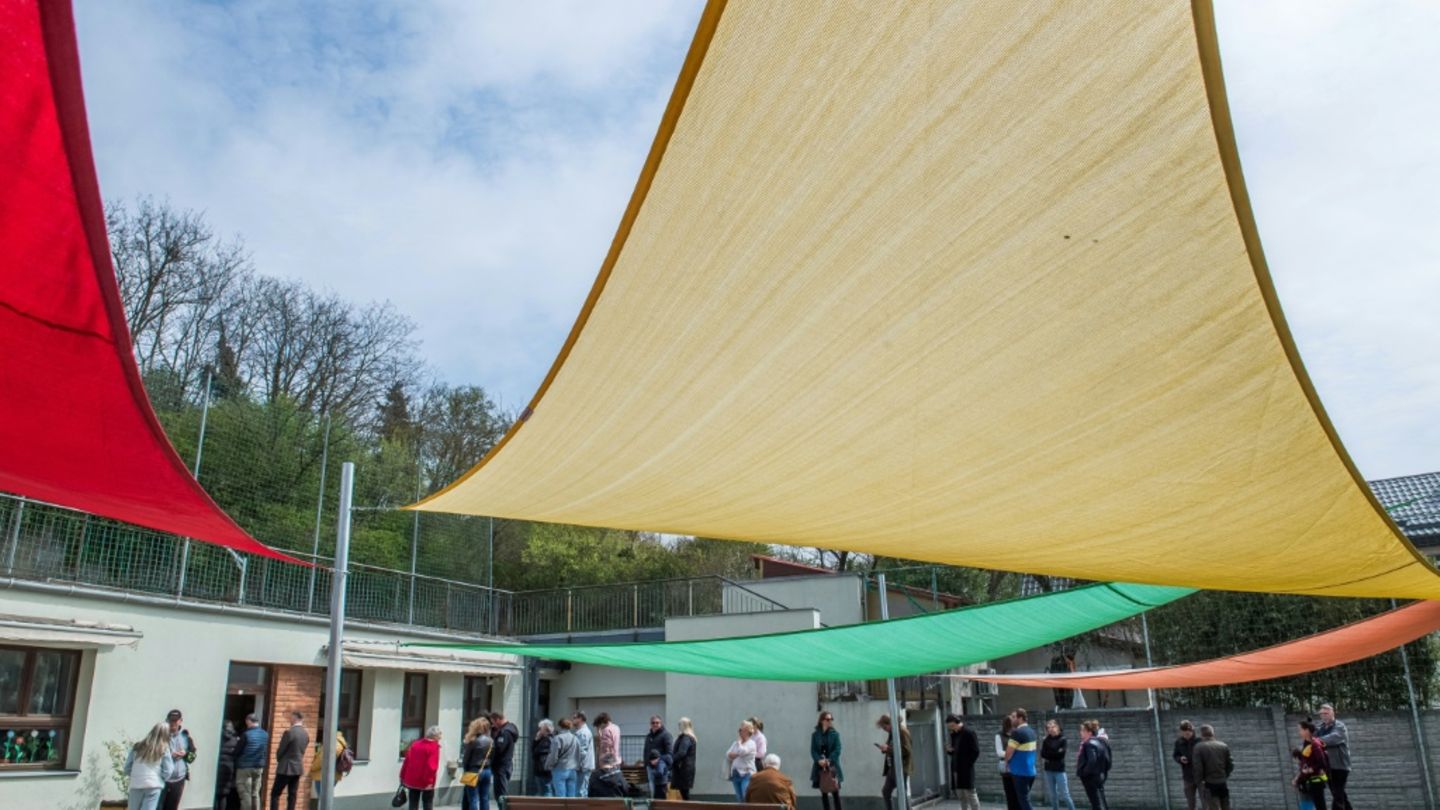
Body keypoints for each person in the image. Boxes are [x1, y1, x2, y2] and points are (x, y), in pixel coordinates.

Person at [127, 723, 177, 810]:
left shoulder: (137, 747)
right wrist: (160, 778)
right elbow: (168, 771)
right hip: (153, 785)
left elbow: (127, 768)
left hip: (136, 784)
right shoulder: (164, 749)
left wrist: (136, 776)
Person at [1317, 704, 1352, 810]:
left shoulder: (1340, 726)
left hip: (1340, 766)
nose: (1324, 715)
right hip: (1328, 766)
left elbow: (1335, 738)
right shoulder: (1319, 728)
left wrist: (1317, 741)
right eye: (1322, 714)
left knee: (1337, 794)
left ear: (1333, 713)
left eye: (1326, 713)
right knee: (1339, 794)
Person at [270, 711, 308, 810]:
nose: (290, 720)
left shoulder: (289, 732)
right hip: (298, 768)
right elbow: (303, 750)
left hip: (286, 767)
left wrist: (279, 759)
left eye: (291, 718)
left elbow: (281, 750)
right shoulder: (305, 734)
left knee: (275, 793)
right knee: (292, 794)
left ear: (296, 718)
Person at [400, 726, 443, 810]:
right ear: (435, 736)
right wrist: (429, 781)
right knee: (427, 803)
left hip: (412, 779)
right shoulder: (433, 747)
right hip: (425, 781)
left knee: (413, 803)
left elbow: (407, 761)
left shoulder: (415, 744)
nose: (440, 738)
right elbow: (431, 766)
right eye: (439, 735)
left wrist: (402, 776)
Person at [1191, 724, 1233, 810]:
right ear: (1213, 733)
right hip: (1222, 781)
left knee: (1213, 807)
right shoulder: (1223, 745)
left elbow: (1198, 767)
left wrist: (1199, 781)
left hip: (1209, 783)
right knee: (1226, 806)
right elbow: (1230, 764)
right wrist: (1225, 775)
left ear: (1201, 735)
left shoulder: (1198, 747)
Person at [162, 709, 197, 810]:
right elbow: (154, 755)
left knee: (172, 807)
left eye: (175, 721)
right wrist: (168, 756)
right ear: (167, 721)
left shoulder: (185, 737)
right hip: (162, 778)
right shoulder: (161, 736)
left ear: (180, 721)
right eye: (170, 720)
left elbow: (192, 758)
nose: (173, 723)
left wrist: (185, 754)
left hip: (179, 779)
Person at [1003, 709, 1038, 810]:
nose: (1011, 719)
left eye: (1014, 717)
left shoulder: (1017, 732)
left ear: (1020, 718)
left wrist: (1006, 762)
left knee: (1023, 800)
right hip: (1030, 771)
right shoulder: (1031, 731)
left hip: (1020, 772)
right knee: (1023, 799)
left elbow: (1009, 752)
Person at [876, 714, 912, 810]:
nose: (884, 729)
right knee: (886, 792)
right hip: (892, 768)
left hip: (901, 767)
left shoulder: (902, 732)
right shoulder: (893, 732)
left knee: (902, 794)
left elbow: (906, 750)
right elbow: (891, 746)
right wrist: (885, 748)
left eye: (884, 727)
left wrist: (888, 749)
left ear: (890, 723)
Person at [1292, 719, 1329, 810]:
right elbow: (1306, 763)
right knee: (1309, 806)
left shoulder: (1315, 744)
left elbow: (1322, 762)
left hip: (1316, 780)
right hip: (1309, 781)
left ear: (1307, 730)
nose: (1299, 732)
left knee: (1320, 806)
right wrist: (1299, 777)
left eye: (1300, 730)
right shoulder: (1306, 744)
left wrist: (1309, 770)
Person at [945, 714, 980, 810]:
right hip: (956, 768)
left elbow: (976, 751)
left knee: (970, 793)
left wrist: (967, 764)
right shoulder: (954, 735)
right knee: (960, 795)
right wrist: (950, 751)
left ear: (958, 723)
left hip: (966, 769)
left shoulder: (969, 733)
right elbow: (955, 752)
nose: (951, 729)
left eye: (952, 726)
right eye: (949, 727)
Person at [1040, 719, 1076, 810]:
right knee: (1052, 795)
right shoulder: (1046, 740)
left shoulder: (1063, 739)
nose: (1051, 729)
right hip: (1048, 770)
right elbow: (1042, 754)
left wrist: (1050, 754)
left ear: (1058, 727)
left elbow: (1061, 755)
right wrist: (1055, 752)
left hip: (1059, 770)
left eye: (1053, 727)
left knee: (1065, 794)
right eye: (1049, 728)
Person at [234, 713, 268, 810]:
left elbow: (237, 751)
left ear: (249, 721)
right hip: (259, 767)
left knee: (245, 792)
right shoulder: (265, 734)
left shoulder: (246, 734)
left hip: (245, 767)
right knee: (255, 793)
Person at [811, 711, 843, 810]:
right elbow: (813, 750)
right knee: (824, 792)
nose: (830, 721)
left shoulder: (835, 734)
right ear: (822, 721)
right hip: (820, 767)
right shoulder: (815, 735)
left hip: (833, 766)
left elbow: (838, 749)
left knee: (835, 792)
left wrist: (829, 760)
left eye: (831, 719)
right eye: (828, 719)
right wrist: (818, 760)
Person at [1076, 720, 1111, 810]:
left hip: (1090, 777)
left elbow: (1092, 760)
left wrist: (1084, 772)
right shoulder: (1099, 742)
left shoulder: (1088, 744)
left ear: (1089, 732)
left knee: (1095, 802)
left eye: (1083, 730)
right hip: (1098, 775)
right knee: (1100, 800)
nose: (1081, 732)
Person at [461, 717, 494, 810]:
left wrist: (465, 769)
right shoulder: (491, 741)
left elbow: (466, 758)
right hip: (487, 770)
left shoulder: (473, 741)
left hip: (473, 770)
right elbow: (492, 757)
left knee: (473, 799)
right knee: (485, 797)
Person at [547, 717, 582, 797]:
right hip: (573, 770)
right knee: (571, 796)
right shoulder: (575, 738)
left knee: (560, 796)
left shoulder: (558, 738)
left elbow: (553, 755)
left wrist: (549, 765)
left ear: (560, 726)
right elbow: (579, 754)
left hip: (560, 769)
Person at [489, 712, 519, 804]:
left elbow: (499, 748)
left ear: (498, 719)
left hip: (501, 765)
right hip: (506, 764)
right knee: (501, 791)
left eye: (493, 722)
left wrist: (492, 742)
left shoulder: (504, 732)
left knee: (501, 793)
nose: (492, 724)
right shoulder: (510, 729)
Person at [307, 730, 350, 797]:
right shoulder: (337, 741)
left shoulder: (334, 742)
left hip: (324, 775)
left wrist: (312, 767)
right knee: (325, 797)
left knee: (323, 799)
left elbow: (322, 759)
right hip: (328, 774)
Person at [726, 720, 759, 802]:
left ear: (748, 731)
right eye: (739, 730)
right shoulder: (735, 743)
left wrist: (739, 745)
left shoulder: (751, 743)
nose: (739, 732)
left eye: (741, 730)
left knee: (745, 796)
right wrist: (736, 754)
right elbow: (728, 754)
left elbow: (742, 752)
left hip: (747, 773)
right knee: (739, 797)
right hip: (736, 773)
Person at [645, 715, 674, 797]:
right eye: (653, 723)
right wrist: (646, 763)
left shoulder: (666, 735)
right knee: (652, 791)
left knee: (660, 793)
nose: (655, 724)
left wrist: (658, 760)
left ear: (661, 723)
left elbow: (670, 753)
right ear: (650, 724)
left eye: (657, 722)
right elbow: (646, 751)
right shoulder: (648, 736)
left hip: (660, 769)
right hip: (649, 768)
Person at [214, 721, 240, 810]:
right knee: (223, 794)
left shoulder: (217, 737)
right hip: (229, 769)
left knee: (215, 794)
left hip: (218, 768)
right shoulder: (235, 740)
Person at [1173, 721, 1198, 810]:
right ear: (1181, 732)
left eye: (1189, 732)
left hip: (1201, 775)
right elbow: (1175, 755)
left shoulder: (1199, 740)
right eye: (1184, 732)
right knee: (1190, 801)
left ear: (1193, 731)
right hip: (1187, 775)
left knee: (1205, 799)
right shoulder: (1178, 742)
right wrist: (1180, 759)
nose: (1187, 734)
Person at [997, 716, 1019, 810]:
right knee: (1010, 794)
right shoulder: (999, 735)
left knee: (1019, 794)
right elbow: (999, 752)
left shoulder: (1017, 734)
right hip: (1007, 768)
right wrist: (1013, 753)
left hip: (1018, 767)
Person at [673, 717, 698, 800]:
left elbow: (682, 753)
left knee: (685, 793)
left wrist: (671, 759)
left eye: (679, 724)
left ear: (683, 725)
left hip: (683, 768)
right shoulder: (688, 737)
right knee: (684, 793)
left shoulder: (686, 738)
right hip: (685, 768)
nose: (678, 726)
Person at [573, 712, 596, 797]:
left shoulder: (583, 733)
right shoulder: (581, 732)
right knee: (581, 790)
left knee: (581, 792)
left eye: (574, 718)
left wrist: (577, 765)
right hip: (583, 766)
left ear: (580, 719)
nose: (573, 720)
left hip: (583, 767)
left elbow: (582, 751)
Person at [531, 720, 555, 796]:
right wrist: (536, 739)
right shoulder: (542, 739)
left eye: (541, 728)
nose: (539, 730)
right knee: (542, 790)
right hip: (540, 769)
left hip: (544, 769)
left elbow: (537, 752)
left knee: (547, 789)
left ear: (546, 729)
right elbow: (533, 751)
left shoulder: (549, 739)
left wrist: (537, 742)